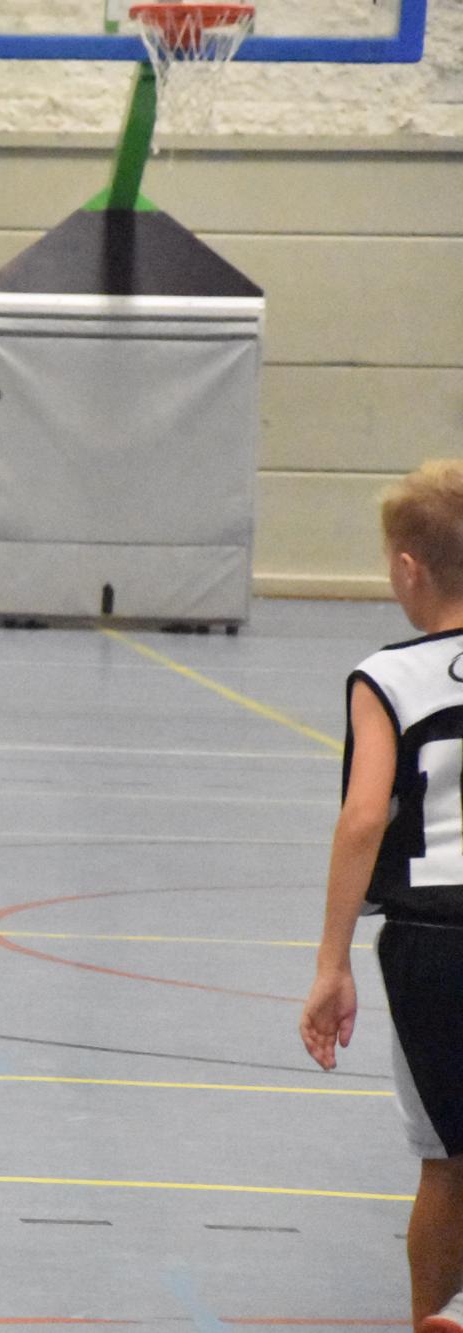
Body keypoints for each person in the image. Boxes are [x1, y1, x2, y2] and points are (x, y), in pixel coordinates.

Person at [301, 459, 463, 1333]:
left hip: (433, 936)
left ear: (408, 568)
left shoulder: (388, 677)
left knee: (446, 1156)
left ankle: (438, 1313)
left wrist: (332, 964)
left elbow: (365, 818)